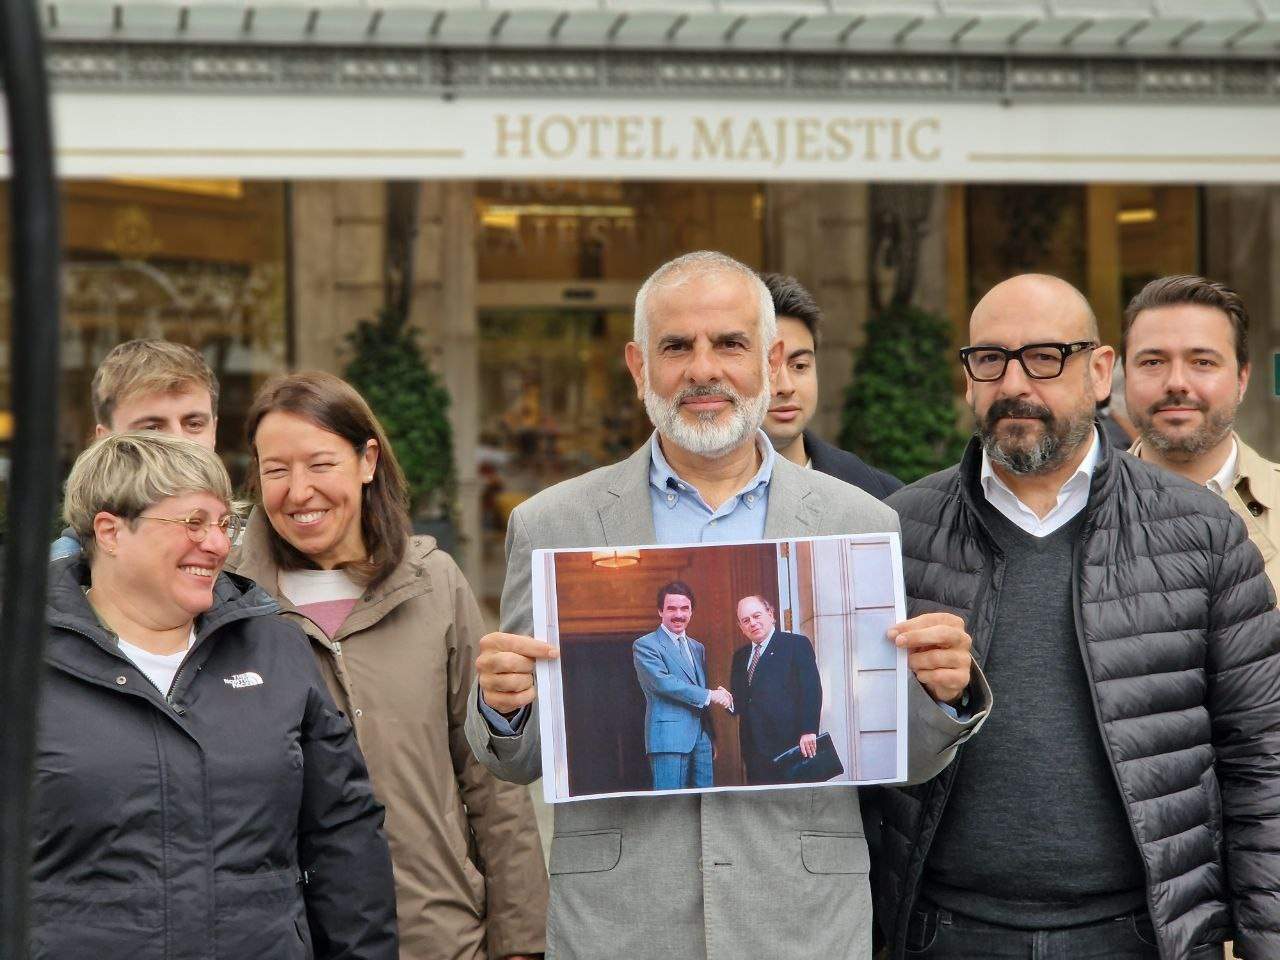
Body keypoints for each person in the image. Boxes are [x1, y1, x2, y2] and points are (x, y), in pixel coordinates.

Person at [465, 250, 990, 960]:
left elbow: (906, 759)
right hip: (620, 924)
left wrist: (945, 697)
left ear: (772, 363)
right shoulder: (551, 524)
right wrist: (502, 705)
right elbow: (519, 759)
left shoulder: (857, 520)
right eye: (676, 346)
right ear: (637, 365)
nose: (703, 369)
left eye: (730, 344)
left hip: (802, 921)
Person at [873, 274, 1280, 960]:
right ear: (968, 378)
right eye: (990, 359)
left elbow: (1259, 758)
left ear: (1099, 372)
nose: (1014, 384)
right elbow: (863, 755)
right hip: (946, 931)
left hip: (1144, 932)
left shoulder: (1201, 531)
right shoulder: (897, 531)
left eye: (1044, 357)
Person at [37, 432, 398, 960]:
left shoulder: (275, 647)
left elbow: (344, 835)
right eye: (193, 523)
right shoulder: (23, 661)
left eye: (223, 524)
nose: (217, 544)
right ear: (111, 532)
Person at [230, 372, 548, 960]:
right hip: (291, 938)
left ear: (367, 460)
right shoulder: (229, 604)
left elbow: (489, 780)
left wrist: (521, 939)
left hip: (439, 932)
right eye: (276, 470)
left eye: (320, 464)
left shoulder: (434, 583)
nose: (299, 491)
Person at [1123, 274, 1280, 593]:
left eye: (1203, 362)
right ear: (1124, 375)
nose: (1176, 382)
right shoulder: (1074, 516)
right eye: (1153, 361)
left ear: (1242, 379)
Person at [51, 338, 220, 560]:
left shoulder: (246, 556)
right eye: (153, 428)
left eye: (194, 424)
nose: (179, 441)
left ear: (214, 432)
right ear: (106, 442)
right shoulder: (48, 582)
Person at [759, 272, 902, 498]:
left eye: (799, 366)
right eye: (768, 368)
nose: (785, 387)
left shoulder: (881, 495)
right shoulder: (691, 498)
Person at [631, 580, 730, 790]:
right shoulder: (645, 645)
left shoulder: (697, 648)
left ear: (692, 611)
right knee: (672, 807)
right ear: (660, 611)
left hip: (701, 740)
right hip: (669, 740)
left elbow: (700, 691)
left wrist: (709, 735)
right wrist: (710, 694)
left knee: (704, 803)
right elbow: (663, 683)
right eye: (672, 608)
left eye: (685, 608)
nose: (679, 614)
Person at [727, 595, 822, 785]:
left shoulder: (796, 644)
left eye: (757, 616)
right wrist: (727, 701)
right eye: (746, 620)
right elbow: (741, 702)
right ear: (741, 627)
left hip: (791, 745)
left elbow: (811, 689)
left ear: (771, 614)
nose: (752, 623)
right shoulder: (740, 657)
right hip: (754, 750)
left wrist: (809, 730)